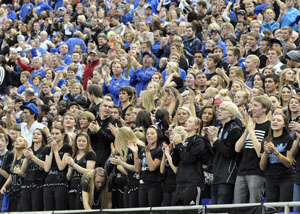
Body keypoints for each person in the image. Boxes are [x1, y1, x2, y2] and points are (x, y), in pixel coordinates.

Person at [234, 96, 271, 203]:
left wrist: (251, 132)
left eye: (255, 105)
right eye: (251, 105)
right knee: (238, 206)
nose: (252, 108)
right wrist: (247, 129)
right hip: (241, 171)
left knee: (254, 206)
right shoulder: (250, 126)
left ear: (264, 109)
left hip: (257, 172)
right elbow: (237, 148)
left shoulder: (269, 126)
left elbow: (261, 152)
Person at [207, 101, 243, 204]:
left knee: (222, 208)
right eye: (218, 108)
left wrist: (215, 139)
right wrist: (211, 140)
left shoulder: (235, 129)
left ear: (230, 113)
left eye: (222, 109)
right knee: (213, 209)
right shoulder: (220, 129)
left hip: (227, 174)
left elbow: (229, 153)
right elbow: (215, 152)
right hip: (217, 173)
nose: (218, 110)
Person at [260, 113, 294, 202]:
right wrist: (265, 152)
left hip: (286, 178)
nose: (275, 122)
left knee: (283, 208)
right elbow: (262, 166)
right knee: (271, 208)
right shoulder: (266, 140)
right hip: (270, 178)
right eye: (273, 120)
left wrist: (275, 151)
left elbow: (288, 163)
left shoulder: (289, 139)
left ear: (284, 125)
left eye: (279, 121)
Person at [172, 117, 207, 206]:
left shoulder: (199, 140)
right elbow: (176, 162)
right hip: (180, 183)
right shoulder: (185, 141)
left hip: (193, 182)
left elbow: (189, 159)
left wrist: (179, 145)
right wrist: (175, 146)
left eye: (190, 121)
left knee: (191, 211)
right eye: (186, 121)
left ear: (196, 126)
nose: (186, 122)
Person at [109, 127, 145, 208]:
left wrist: (121, 162)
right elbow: (127, 168)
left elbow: (137, 168)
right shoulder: (126, 149)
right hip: (129, 182)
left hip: (138, 183)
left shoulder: (138, 146)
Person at [43, 125, 72, 210]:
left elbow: (61, 167)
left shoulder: (67, 147)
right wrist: (51, 152)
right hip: (48, 182)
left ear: (62, 135)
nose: (54, 135)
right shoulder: (48, 149)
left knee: (60, 209)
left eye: (57, 133)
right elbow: (46, 168)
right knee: (48, 210)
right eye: (52, 133)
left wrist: (55, 151)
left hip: (61, 183)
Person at [65, 132, 96, 210]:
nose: (81, 143)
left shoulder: (90, 154)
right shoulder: (74, 155)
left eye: (83, 141)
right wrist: (71, 168)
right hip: (73, 187)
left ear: (87, 142)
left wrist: (74, 165)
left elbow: (89, 172)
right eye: (79, 141)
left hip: (84, 187)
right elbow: (68, 177)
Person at [20, 129, 48, 211]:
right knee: (25, 210)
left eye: (38, 134)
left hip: (40, 183)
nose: (35, 135)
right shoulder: (28, 149)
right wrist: (26, 158)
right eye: (34, 134)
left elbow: (46, 166)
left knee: (36, 209)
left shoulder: (46, 149)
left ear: (43, 137)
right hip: (27, 183)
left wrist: (32, 157)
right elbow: (22, 170)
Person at [137, 125, 163, 207]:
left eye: (152, 133)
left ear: (158, 135)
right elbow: (138, 169)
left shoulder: (159, 150)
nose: (149, 135)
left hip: (154, 185)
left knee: (153, 210)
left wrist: (147, 152)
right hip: (143, 184)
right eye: (147, 133)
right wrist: (135, 153)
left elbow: (152, 168)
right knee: (143, 210)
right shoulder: (142, 150)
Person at [0, 137, 28, 211]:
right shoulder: (14, 158)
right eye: (16, 141)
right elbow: (11, 175)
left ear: (25, 144)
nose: (17, 142)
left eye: (20, 141)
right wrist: (5, 186)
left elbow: (28, 175)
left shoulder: (26, 157)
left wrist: (20, 173)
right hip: (13, 191)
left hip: (23, 190)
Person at [0, 133, 13, 210]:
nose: (0, 143)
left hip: (4, 190)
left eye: (2, 140)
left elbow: (9, 176)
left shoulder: (10, 154)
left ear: (7, 142)